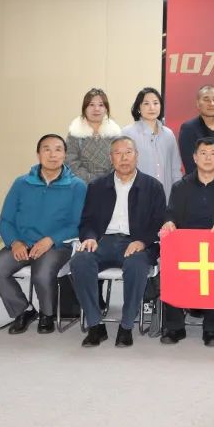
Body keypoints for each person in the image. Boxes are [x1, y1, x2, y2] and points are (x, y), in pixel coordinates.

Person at [0, 134, 85, 335]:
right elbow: (6, 220)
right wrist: (14, 242)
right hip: (22, 243)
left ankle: (47, 314)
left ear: (65, 155)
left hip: (56, 245)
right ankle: (24, 311)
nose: (52, 154)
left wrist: (51, 240)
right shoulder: (21, 183)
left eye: (58, 149)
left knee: (42, 273)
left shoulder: (77, 186)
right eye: (47, 149)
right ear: (38, 154)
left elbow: (78, 224)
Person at [71, 136, 165, 348]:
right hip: (103, 241)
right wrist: (90, 237)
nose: (124, 158)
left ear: (137, 156)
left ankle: (126, 325)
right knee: (79, 261)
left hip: (136, 243)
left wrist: (142, 241)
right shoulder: (97, 186)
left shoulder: (153, 186)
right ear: (110, 158)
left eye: (128, 152)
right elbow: (87, 221)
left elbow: (158, 222)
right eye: (118, 153)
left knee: (136, 265)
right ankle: (95, 324)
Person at [160, 136, 214, 347]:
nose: (208, 158)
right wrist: (169, 222)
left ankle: (211, 329)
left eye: (213, 154)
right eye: (203, 153)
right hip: (186, 246)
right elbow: (171, 213)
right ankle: (175, 327)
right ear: (194, 157)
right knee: (170, 268)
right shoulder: (181, 186)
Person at [122, 87, 183, 201]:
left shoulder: (168, 134)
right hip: (136, 197)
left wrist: (178, 195)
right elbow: (122, 167)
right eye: (146, 103)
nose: (152, 107)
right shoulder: (128, 133)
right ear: (138, 107)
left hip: (165, 197)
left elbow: (175, 169)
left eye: (155, 103)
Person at [65, 88, 123, 184]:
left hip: (111, 185)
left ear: (106, 109)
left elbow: (120, 159)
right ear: (84, 108)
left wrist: (108, 180)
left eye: (101, 105)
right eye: (91, 105)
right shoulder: (75, 133)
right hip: (83, 185)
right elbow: (71, 162)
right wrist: (93, 180)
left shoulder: (115, 134)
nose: (96, 109)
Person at [178, 84, 214, 175]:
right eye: (206, 100)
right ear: (198, 104)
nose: (212, 103)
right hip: (199, 181)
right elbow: (190, 164)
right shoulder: (188, 129)